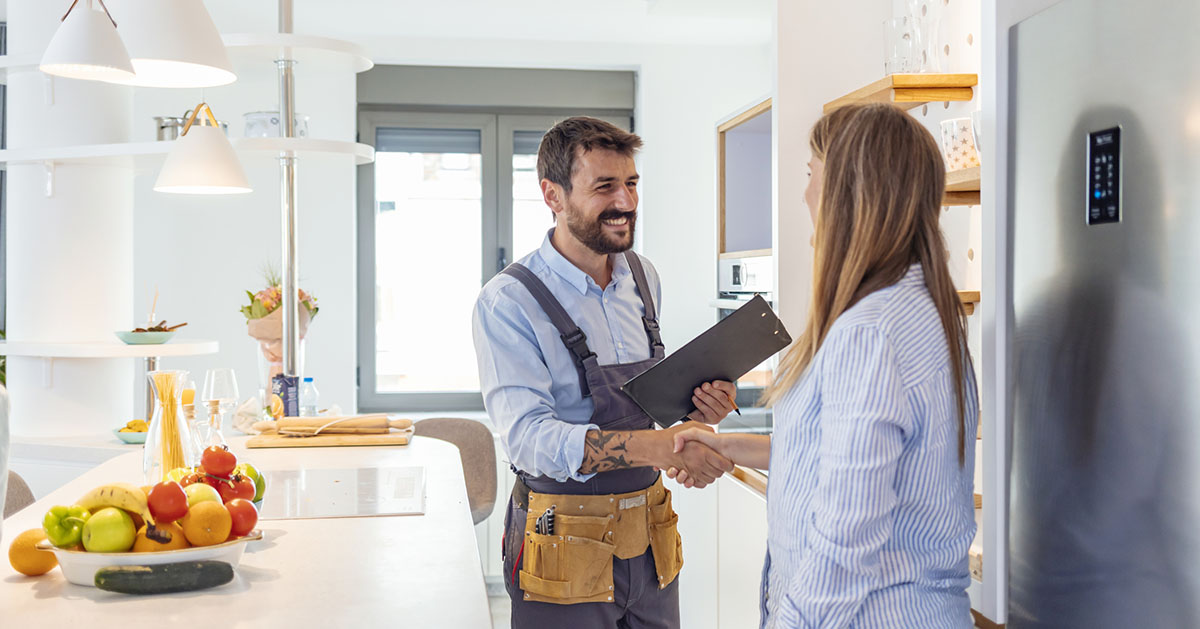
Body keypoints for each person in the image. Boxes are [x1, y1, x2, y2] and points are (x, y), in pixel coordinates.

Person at [672, 102, 980, 627]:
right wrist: (727, 446)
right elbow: (840, 458)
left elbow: (847, 540)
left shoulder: (869, 333)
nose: (805, 195)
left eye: (811, 175)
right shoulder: (924, 310)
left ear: (848, 194)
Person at [472, 116, 738, 629]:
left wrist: (697, 406)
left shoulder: (643, 277)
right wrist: (657, 448)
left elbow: (645, 405)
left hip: (649, 536)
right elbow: (528, 440)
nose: (626, 202)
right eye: (605, 187)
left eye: (632, 183)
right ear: (553, 195)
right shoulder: (508, 301)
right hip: (562, 546)